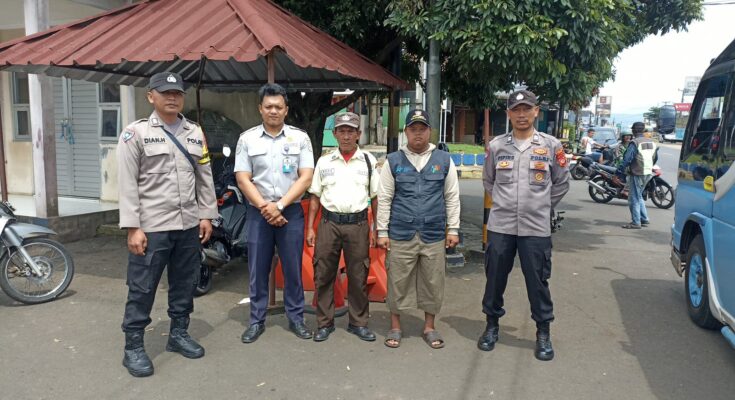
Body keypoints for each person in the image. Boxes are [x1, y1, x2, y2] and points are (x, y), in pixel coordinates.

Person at [117, 72, 217, 377]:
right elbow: (127, 184)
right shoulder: (135, 134)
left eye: (177, 93)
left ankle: (178, 334)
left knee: (185, 282)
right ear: (151, 96)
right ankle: (133, 347)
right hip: (152, 227)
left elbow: (204, 176)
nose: (172, 97)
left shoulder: (195, 133)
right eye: (165, 92)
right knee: (142, 286)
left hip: (187, 225)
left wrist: (206, 215)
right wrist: (132, 227)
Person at [478, 90, 570, 361]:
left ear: (536, 111)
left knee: (538, 281)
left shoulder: (551, 146)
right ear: (508, 113)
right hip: (501, 226)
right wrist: (504, 202)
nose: (521, 115)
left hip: (536, 228)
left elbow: (562, 182)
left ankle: (543, 332)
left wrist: (541, 206)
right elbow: (488, 180)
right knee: (494, 279)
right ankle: (491, 326)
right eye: (516, 110)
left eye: (526, 109)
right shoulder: (497, 146)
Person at [234, 83, 315, 343]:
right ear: (260, 108)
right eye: (268, 106)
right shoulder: (247, 139)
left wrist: (279, 206)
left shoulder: (300, 138)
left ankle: (296, 318)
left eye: (278, 107)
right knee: (258, 268)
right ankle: (256, 320)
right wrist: (265, 207)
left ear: (286, 110)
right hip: (259, 213)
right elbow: (243, 178)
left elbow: (306, 177)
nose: (273, 111)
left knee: (293, 268)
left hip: (290, 212)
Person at [376, 109, 460, 349]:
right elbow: (385, 198)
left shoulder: (443, 160)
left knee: (433, 281)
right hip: (401, 231)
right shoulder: (393, 161)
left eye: (422, 129)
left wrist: (453, 229)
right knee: (397, 280)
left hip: (433, 232)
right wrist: (382, 231)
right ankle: (395, 326)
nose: (418, 134)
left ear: (429, 131)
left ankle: (429, 327)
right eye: (413, 129)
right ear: (406, 132)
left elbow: (452, 196)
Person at [306, 112, 379, 342]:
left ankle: (358, 323)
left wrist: (376, 228)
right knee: (323, 274)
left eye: (351, 131)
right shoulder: (324, 161)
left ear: (358, 134)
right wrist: (310, 228)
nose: (346, 136)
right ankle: (324, 323)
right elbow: (315, 196)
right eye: (342, 131)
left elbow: (375, 197)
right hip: (329, 224)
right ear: (335, 134)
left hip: (358, 225)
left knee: (358, 276)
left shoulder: (368, 161)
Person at [617, 121, 657, 229]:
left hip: (637, 172)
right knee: (638, 196)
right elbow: (655, 158)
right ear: (643, 130)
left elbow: (627, 159)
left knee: (633, 198)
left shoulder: (634, 142)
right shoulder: (651, 142)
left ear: (634, 130)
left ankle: (636, 222)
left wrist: (619, 172)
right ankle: (644, 218)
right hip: (648, 172)